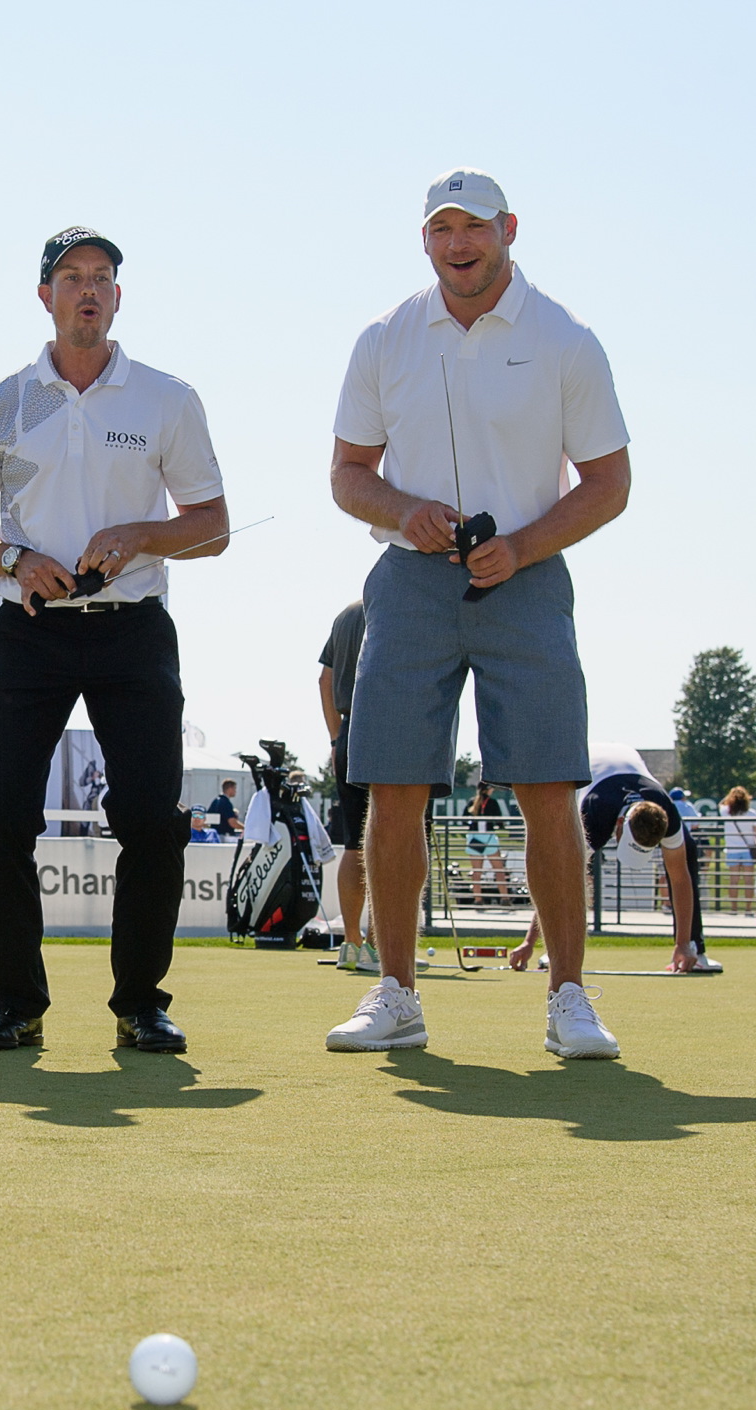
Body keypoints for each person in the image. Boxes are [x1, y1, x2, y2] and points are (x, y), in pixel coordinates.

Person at [325, 167, 633, 1059]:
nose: (458, 244)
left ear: (509, 230)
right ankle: (396, 993)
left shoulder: (565, 338)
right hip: (409, 580)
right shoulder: (384, 337)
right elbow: (347, 474)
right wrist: (403, 510)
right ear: (425, 239)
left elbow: (610, 482)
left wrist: (524, 547)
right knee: (393, 787)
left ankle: (569, 996)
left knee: (547, 787)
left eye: (475, 227)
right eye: (442, 229)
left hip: (526, 579)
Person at [0, 226, 230, 1055]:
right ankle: (16, 1003)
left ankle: (141, 1004)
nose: (89, 291)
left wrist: (142, 535)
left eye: (103, 277)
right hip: (28, 628)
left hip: (133, 629)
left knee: (151, 820)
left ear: (118, 296)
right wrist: (15, 558)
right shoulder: (0, 404)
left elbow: (212, 525)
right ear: (45, 296)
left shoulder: (165, 398)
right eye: (72, 277)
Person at [510, 743, 717, 975]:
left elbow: (679, 878)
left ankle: (693, 948)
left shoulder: (666, 813)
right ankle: (555, 950)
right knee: (569, 871)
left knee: (687, 854)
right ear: (619, 824)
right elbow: (557, 880)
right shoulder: (593, 814)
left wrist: (682, 943)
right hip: (586, 765)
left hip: (627, 758)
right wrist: (529, 942)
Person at [317, 599, 374, 969]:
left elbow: (324, 679)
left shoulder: (346, 615)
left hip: (349, 733)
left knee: (354, 842)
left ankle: (352, 943)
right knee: (396, 838)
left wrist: (336, 737)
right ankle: (384, 947)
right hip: (390, 729)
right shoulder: (399, 600)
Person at [464, 783, 511, 905]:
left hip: (474, 839)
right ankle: (505, 898)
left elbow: (464, 819)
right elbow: (499, 821)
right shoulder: (492, 802)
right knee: (499, 870)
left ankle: (478, 899)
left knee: (476, 872)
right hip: (489, 839)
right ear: (488, 790)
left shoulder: (471, 802)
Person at [719, 785, 756, 912]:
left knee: (733, 880)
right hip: (748, 850)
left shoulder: (726, 812)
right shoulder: (752, 814)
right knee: (749, 881)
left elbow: (721, 804)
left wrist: (730, 796)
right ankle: (748, 909)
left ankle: (734, 908)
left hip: (732, 850)